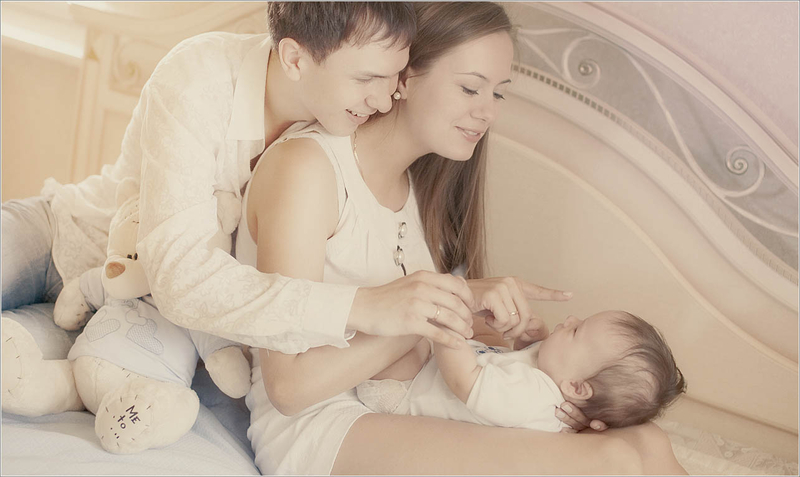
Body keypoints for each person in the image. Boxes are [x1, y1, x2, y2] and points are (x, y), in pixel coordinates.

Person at [240, 2, 687, 475]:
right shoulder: (308, 170)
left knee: (646, 438)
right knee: (612, 460)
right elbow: (288, 388)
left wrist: (515, 344)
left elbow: (430, 345)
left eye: (498, 93)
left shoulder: (417, 190)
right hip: (318, 423)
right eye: (470, 88)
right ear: (404, 76)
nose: (487, 112)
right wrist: (446, 305)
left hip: (399, 400)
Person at [356, 310, 687, 432]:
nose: (569, 319)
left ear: (576, 387)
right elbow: (511, 369)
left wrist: (447, 328)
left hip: (407, 391)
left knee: (401, 336)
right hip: (434, 368)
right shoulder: (551, 376)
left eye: (576, 330)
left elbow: (464, 381)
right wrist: (532, 343)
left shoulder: (534, 399)